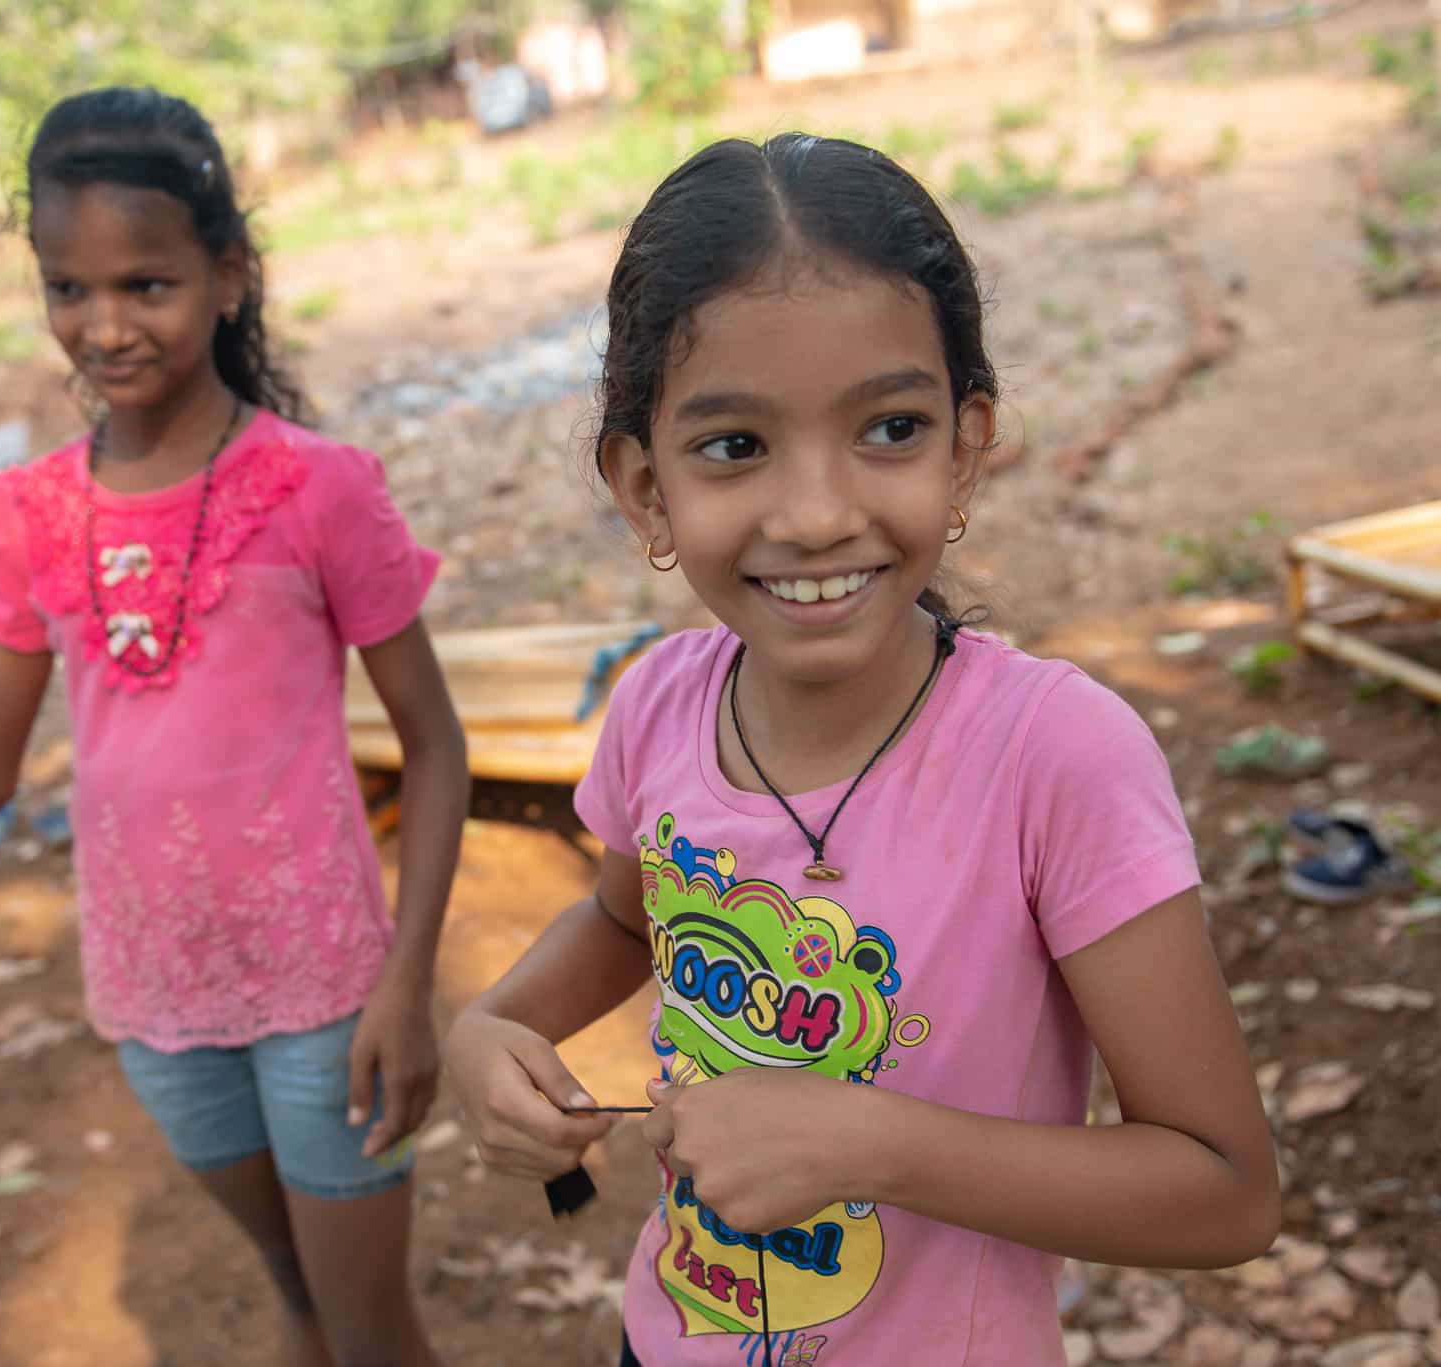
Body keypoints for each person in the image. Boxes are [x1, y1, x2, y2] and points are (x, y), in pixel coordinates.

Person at [441, 134, 1279, 1367]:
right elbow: (624, 919)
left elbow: (1224, 1191)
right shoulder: (656, 708)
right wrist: (492, 1023)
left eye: (888, 427)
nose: (817, 513)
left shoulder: (1054, 759)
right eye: (734, 446)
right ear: (644, 488)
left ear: (964, 449)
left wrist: (868, 1143)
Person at [0, 87, 466, 1367]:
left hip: (327, 988)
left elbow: (433, 743)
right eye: (69, 288)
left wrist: (406, 981)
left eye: (145, 284)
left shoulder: (314, 488)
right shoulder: (28, 512)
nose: (103, 326)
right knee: (293, 1290)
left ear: (227, 276)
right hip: (156, 996)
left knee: (367, 1323)